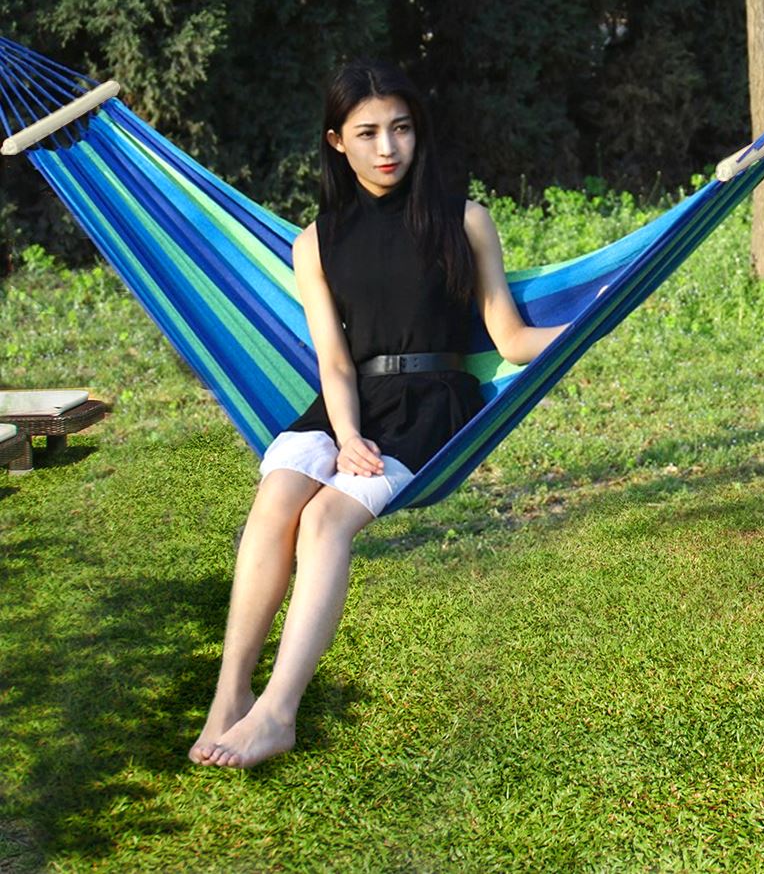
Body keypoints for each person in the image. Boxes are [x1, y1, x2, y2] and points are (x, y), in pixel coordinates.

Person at [189, 62, 568, 769]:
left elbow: (510, 337)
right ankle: (230, 694)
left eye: (401, 128)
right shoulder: (315, 242)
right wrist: (347, 433)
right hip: (346, 404)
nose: (387, 147)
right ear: (337, 141)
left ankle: (278, 713)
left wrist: (598, 317)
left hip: (429, 405)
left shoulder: (463, 219)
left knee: (325, 520)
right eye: (366, 133)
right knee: (276, 499)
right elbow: (334, 361)